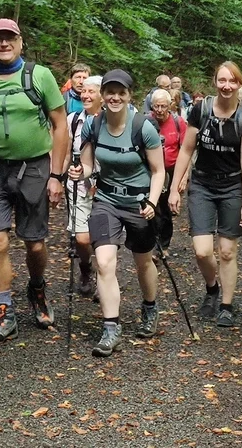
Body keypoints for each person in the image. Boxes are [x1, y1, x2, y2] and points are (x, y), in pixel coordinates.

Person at [0, 19, 70, 345]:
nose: (4, 44)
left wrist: (57, 174)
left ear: (21, 42)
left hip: (34, 168)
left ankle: (37, 288)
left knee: (34, 243)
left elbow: (60, 125)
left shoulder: (40, 76)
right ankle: (4, 310)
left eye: (10, 38)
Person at [69, 70, 165, 356]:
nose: (114, 97)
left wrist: (152, 202)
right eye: (110, 91)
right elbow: (87, 165)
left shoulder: (143, 128)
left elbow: (159, 171)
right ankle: (111, 327)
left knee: (143, 262)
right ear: (102, 95)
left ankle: (149, 306)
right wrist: (79, 171)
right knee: (104, 261)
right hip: (106, 199)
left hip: (139, 203)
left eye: (120, 92)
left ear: (129, 96)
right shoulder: (94, 126)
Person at [169, 61, 242, 327]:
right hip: (202, 185)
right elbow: (186, 150)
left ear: (239, 84)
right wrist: (175, 188)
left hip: (232, 186)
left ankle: (226, 304)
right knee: (202, 250)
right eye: (222, 80)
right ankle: (212, 287)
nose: (226, 86)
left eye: (232, 81)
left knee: (228, 250)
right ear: (215, 81)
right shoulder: (201, 110)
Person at [63, 74, 102, 297]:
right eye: (83, 91)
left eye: (91, 92)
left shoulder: (111, 120)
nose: (85, 95)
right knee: (82, 238)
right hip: (78, 184)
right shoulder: (73, 119)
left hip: (105, 185)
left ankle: (104, 278)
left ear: (102, 96)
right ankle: (86, 268)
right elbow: (65, 149)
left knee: (105, 237)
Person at [149, 89, 185, 248]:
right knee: (153, 208)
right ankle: (152, 242)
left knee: (166, 210)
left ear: (170, 105)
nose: (159, 110)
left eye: (163, 106)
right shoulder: (146, 122)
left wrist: (184, 178)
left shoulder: (178, 123)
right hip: (152, 171)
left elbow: (186, 150)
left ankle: (163, 245)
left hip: (171, 171)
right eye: (156, 106)